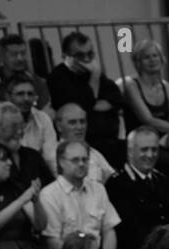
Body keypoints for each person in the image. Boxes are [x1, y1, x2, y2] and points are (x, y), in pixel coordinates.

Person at [38, 140, 122, 249]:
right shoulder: (49, 194)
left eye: (85, 159)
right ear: (61, 162)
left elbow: (109, 229)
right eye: (75, 160)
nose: (82, 164)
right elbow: (53, 242)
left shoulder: (98, 189)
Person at [47, 32, 126, 168]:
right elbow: (82, 108)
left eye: (90, 54)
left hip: (110, 139)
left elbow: (116, 99)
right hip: (83, 142)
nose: (87, 59)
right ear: (65, 57)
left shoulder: (93, 73)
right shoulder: (58, 77)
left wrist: (91, 104)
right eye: (80, 55)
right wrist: (94, 78)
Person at [105, 127, 169, 249]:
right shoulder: (117, 184)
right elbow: (129, 230)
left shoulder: (163, 181)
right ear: (130, 151)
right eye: (144, 150)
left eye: (154, 149)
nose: (150, 155)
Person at [122, 39, 169, 177]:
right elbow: (148, 119)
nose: (152, 60)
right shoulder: (131, 85)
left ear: (162, 59)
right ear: (138, 63)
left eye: (155, 55)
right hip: (141, 143)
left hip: (165, 142)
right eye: (146, 57)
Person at [7, 72, 59, 174]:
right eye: (20, 94)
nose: (26, 98)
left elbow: (51, 158)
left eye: (30, 94)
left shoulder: (43, 119)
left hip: (40, 176)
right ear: (8, 97)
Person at [0, 34, 51, 111]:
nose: (20, 58)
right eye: (14, 54)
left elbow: (46, 112)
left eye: (23, 53)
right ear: (1, 56)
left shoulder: (38, 82)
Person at [53, 103, 115, 185]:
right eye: (72, 122)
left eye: (82, 122)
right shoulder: (53, 154)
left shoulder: (95, 153)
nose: (79, 127)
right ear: (59, 126)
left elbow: (112, 179)